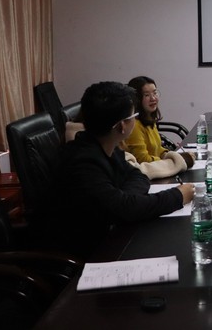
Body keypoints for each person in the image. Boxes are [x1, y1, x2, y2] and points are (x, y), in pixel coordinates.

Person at [41, 81, 195, 258]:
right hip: (81, 255)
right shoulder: (83, 163)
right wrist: (177, 196)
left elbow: (138, 176)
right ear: (122, 126)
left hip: (108, 236)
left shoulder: (105, 146)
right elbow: (124, 210)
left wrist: (124, 200)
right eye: (134, 115)